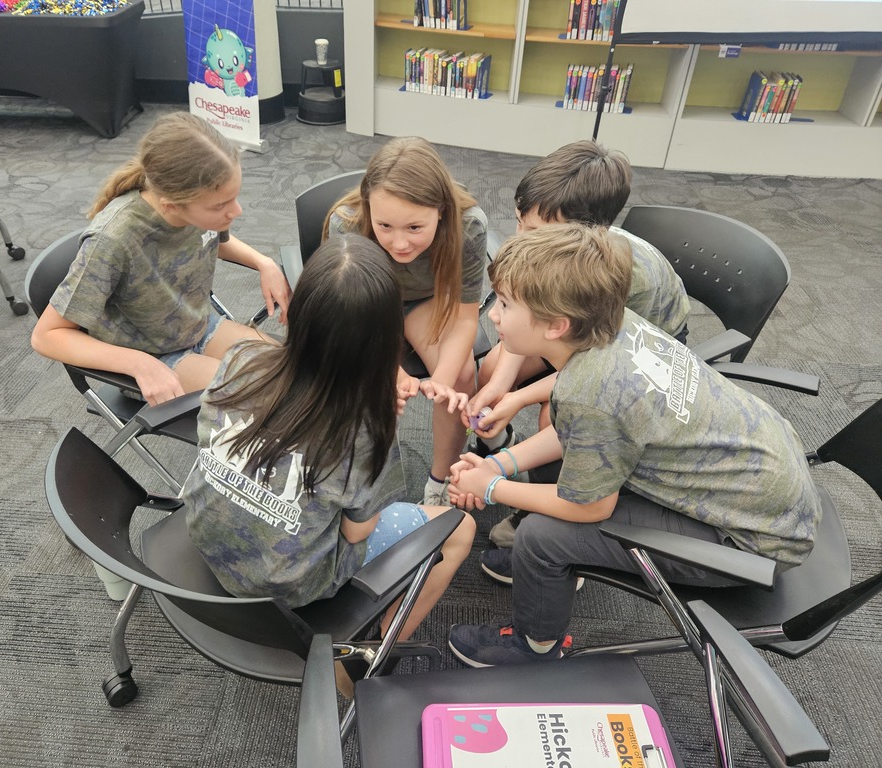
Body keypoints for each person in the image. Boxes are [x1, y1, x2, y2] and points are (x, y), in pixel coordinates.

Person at [445, 224, 822, 667]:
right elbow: (580, 432)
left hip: (751, 542)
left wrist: (490, 488)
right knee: (559, 460)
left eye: (505, 305)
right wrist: (502, 464)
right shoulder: (616, 323)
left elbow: (590, 508)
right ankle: (545, 574)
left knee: (541, 536)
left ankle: (535, 645)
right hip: (767, 485)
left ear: (556, 326)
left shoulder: (594, 392)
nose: (493, 315)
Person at [184, 233, 475, 647]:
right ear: (387, 338)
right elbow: (356, 535)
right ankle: (367, 653)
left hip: (204, 538)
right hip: (286, 587)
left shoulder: (241, 357)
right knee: (459, 528)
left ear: (299, 311)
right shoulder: (366, 431)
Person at [466, 139, 691, 546]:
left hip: (630, 355)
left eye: (535, 232)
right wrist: (500, 386)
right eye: (519, 222)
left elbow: (596, 373)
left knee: (556, 417)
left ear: (587, 233)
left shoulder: (621, 278)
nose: (520, 238)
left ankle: (542, 521)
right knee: (489, 370)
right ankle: (504, 452)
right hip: (566, 328)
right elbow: (526, 329)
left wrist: (520, 398)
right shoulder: (555, 260)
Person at [30, 112, 290, 405]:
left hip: (198, 326)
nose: (236, 212)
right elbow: (46, 335)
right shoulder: (112, 240)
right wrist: (138, 364)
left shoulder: (196, 210)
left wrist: (262, 262)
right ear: (171, 205)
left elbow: (211, 239)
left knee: (295, 373)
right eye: (221, 205)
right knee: (274, 400)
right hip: (151, 355)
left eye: (235, 197)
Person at [323, 136, 488, 506]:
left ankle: (441, 481)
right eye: (384, 226)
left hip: (425, 302)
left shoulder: (470, 227)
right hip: (365, 304)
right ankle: (363, 483)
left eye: (414, 228)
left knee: (460, 376)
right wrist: (392, 371)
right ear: (367, 209)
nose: (399, 244)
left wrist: (441, 384)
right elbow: (349, 312)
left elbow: (464, 317)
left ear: (442, 210)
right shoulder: (347, 223)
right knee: (368, 381)